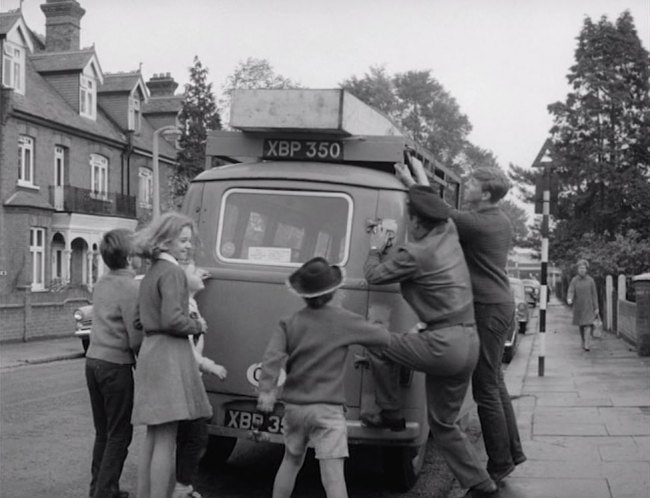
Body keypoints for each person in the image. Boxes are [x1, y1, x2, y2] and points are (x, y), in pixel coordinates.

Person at [395, 158, 527, 486]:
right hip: (497, 304)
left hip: (488, 307)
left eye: (471, 184)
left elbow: (437, 211)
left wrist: (414, 181)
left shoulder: (477, 223)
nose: (466, 187)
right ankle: (509, 455)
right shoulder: (498, 218)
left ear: (484, 194)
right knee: (494, 381)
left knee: (486, 386)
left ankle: (498, 463)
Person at [362, 185, 497, 497]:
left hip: (443, 346)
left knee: (377, 341)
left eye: (410, 220)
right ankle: (482, 484)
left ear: (418, 223)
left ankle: (391, 413)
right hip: (467, 341)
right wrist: (413, 180)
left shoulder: (415, 254)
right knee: (443, 424)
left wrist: (375, 247)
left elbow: (374, 276)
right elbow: (440, 208)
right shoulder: (448, 232)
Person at [257, 257, 391, 498]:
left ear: (303, 294)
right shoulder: (344, 319)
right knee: (333, 476)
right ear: (334, 291)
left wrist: (267, 390)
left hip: (295, 408)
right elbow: (382, 338)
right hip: (328, 409)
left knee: (291, 461)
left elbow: (272, 356)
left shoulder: (289, 322)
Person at [131, 212, 212, 498]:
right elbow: (172, 320)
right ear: (166, 240)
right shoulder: (174, 272)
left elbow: (138, 320)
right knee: (167, 438)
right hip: (169, 355)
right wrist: (196, 324)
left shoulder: (151, 272)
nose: (189, 246)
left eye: (190, 241)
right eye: (183, 240)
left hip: (151, 352)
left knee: (153, 437)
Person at [85, 229, 142, 498]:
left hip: (93, 362)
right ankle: (105, 493)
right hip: (115, 366)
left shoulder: (102, 283)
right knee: (120, 434)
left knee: (103, 433)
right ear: (130, 257)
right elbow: (136, 335)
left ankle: (100, 487)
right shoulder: (131, 287)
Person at [173, 261, 228, 498]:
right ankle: (180, 487)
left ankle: (182, 485)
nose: (201, 273)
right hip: (186, 380)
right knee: (195, 436)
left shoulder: (191, 301)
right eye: (195, 271)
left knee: (188, 435)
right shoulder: (184, 306)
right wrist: (210, 366)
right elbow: (186, 349)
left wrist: (196, 281)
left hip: (190, 379)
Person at [567, 259, 599, 351]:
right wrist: (570, 298)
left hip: (589, 306)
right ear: (577, 269)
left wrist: (596, 307)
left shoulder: (591, 280)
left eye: (583, 268)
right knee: (581, 325)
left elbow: (594, 295)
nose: (582, 270)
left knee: (588, 325)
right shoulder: (574, 280)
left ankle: (587, 344)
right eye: (580, 268)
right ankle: (583, 340)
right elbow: (571, 290)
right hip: (578, 306)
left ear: (586, 269)